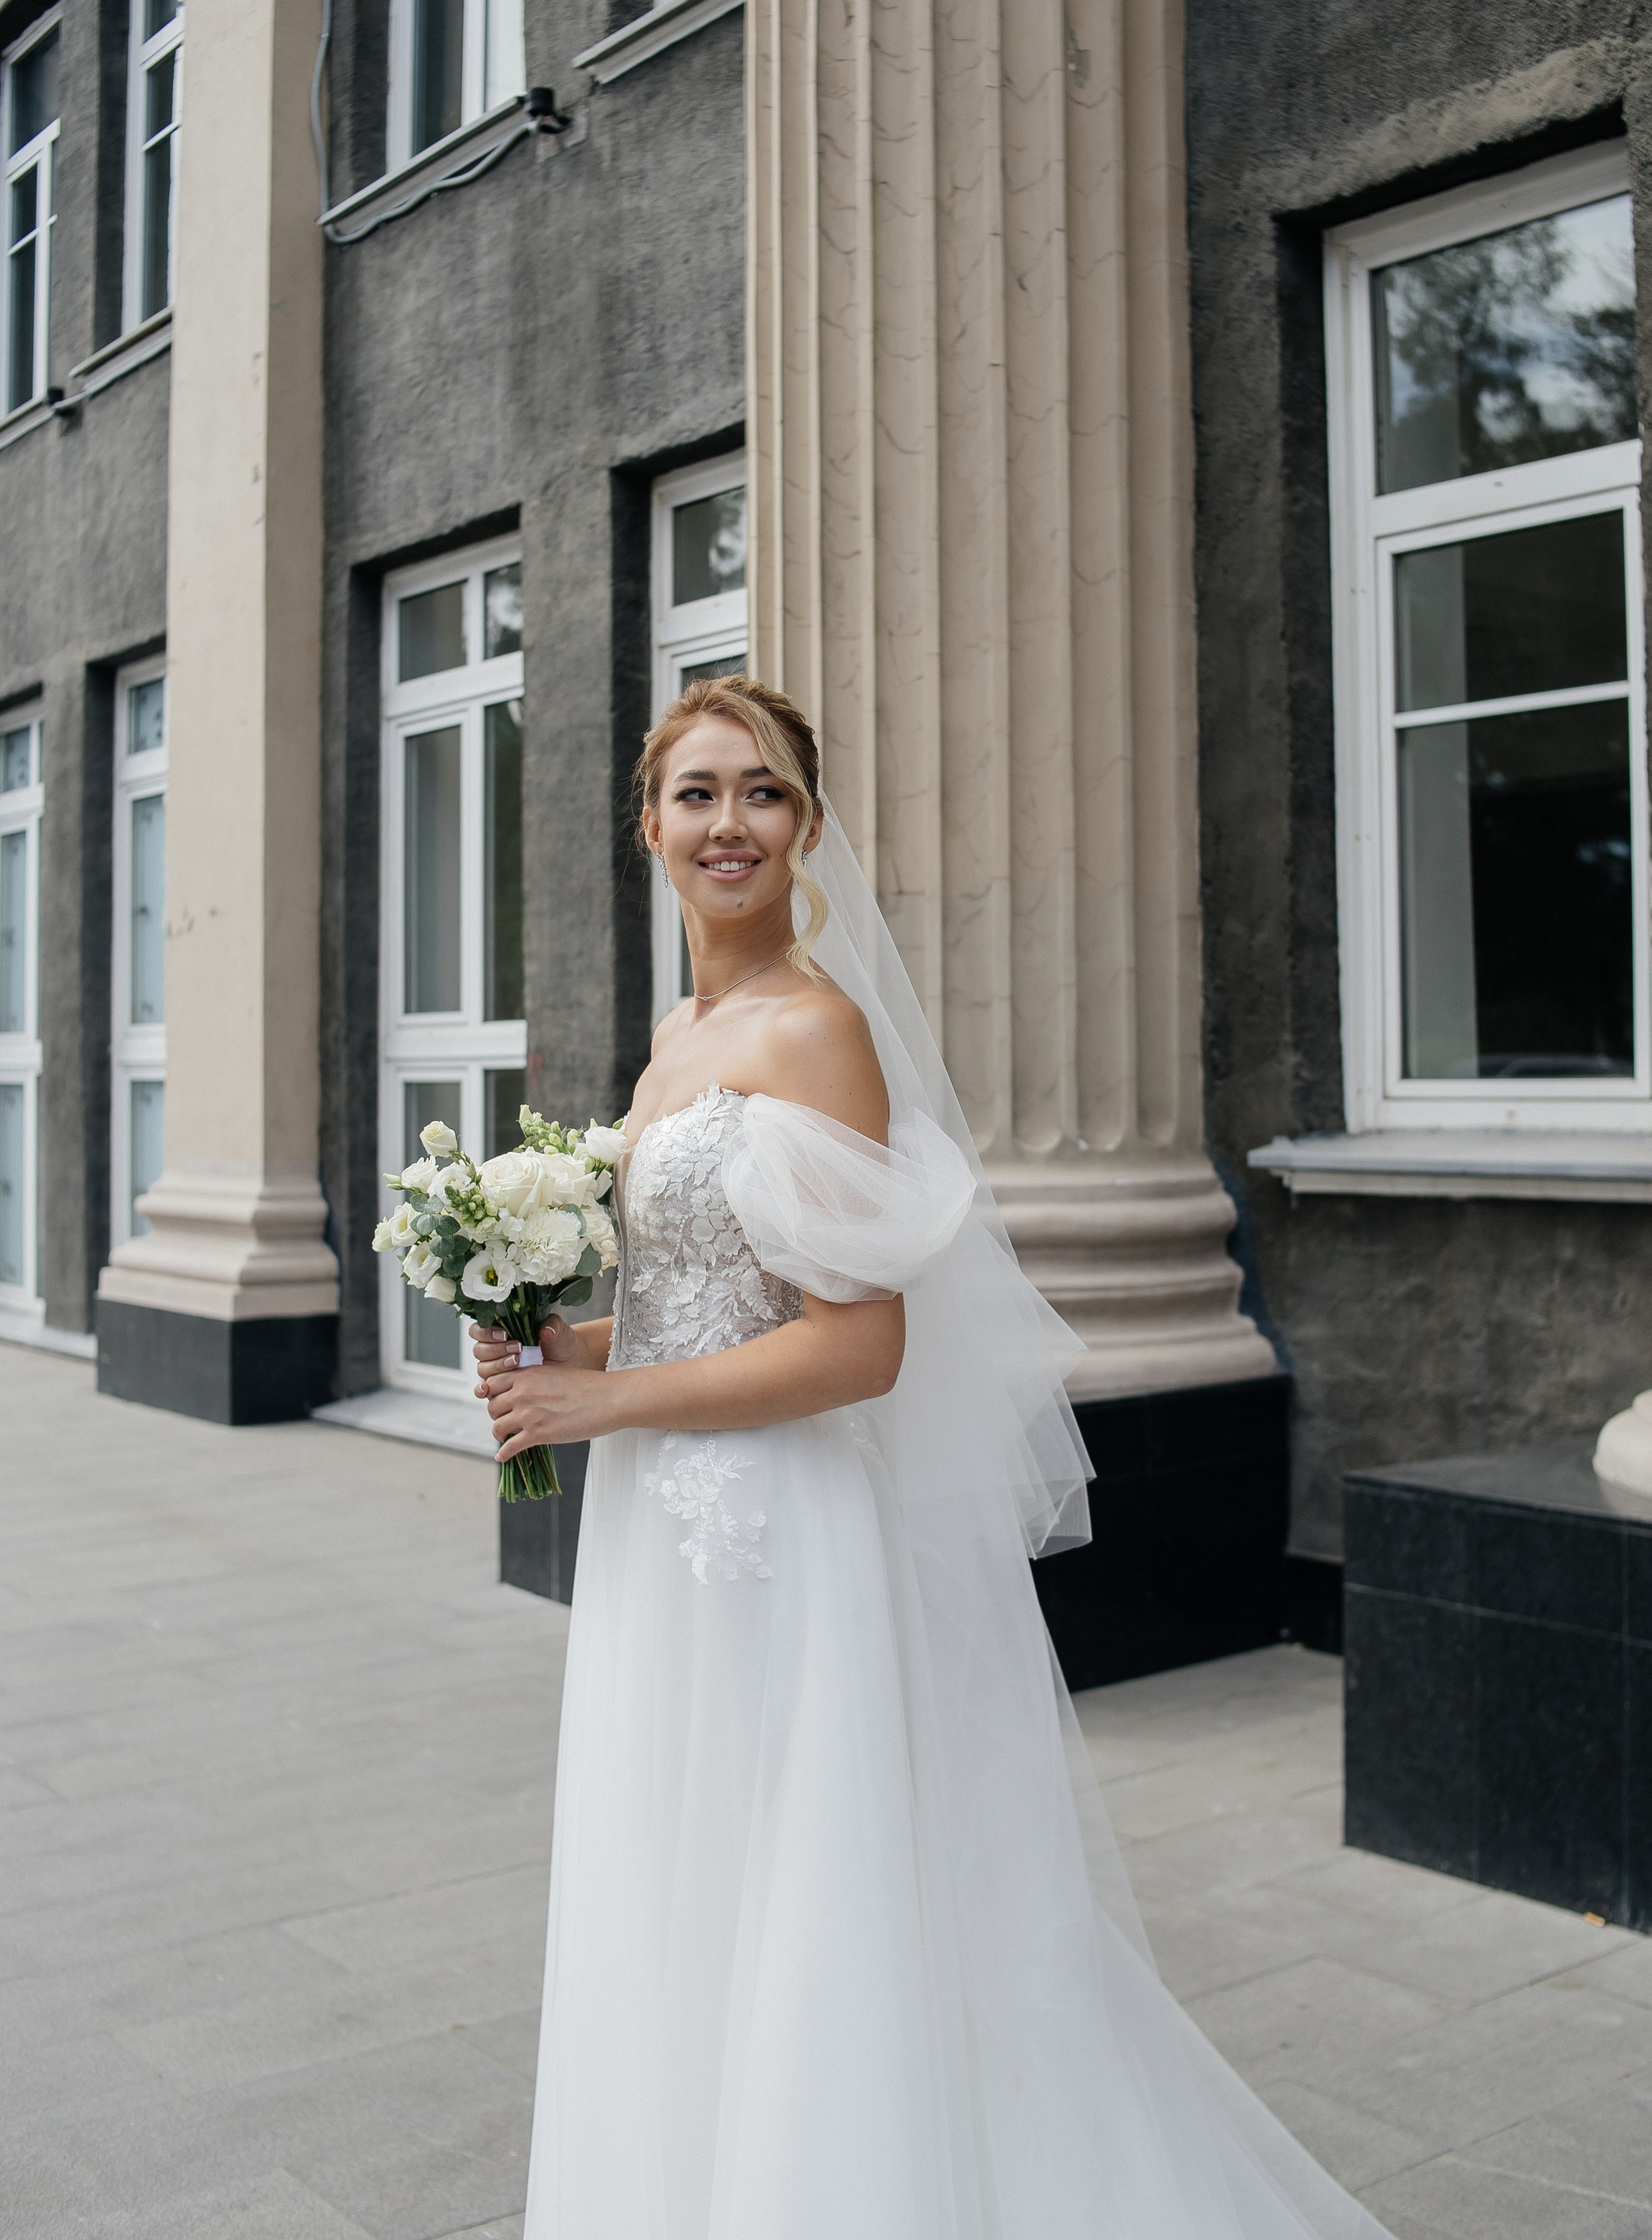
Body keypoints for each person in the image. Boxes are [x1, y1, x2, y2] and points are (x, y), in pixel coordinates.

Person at [472, 675, 1387, 2239]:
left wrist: (601, 1408)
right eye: (696, 793)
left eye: (763, 791)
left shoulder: (817, 1030)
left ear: (807, 826)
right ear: (648, 828)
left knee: (801, 1885)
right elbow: (709, 1298)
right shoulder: (675, 1037)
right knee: (681, 1866)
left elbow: (855, 1348)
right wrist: (566, 1348)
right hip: (658, 1528)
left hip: (779, 1525)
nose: (728, 822)